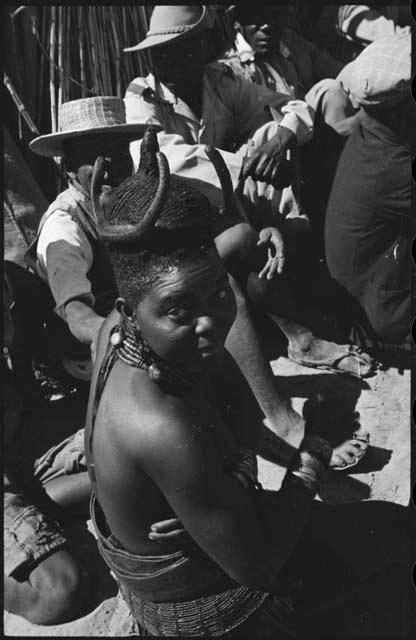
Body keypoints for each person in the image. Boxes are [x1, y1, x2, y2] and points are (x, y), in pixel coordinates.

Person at [84, 129, 410, 637]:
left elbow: (236, 414)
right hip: (217, 607)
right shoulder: (159, 422)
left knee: (391, 530)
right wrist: (314, 448)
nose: (210, 323)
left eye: (219, 294)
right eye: (178, 310)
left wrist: (206, 488)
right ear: (131, 310)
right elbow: (259, 565)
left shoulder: (126, 332)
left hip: (221, 545)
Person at [123, 5, 375, 440]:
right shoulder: (141, 100)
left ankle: (301, 335)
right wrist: (251, 165)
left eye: (182, 50)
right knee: (227, 262)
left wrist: (280, 140)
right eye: (162, 55)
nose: (171, 63)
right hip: (171, 234)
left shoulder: (218, 81)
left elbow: (289, 108)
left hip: (221, 214)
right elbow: (173, 166)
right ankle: (277, 408)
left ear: (201, 46)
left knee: (266, 172)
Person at [26, 96, 146, 382]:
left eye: (120, 151)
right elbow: (77, 313)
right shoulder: (64, 226)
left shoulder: (133, 200)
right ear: (68, 167)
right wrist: (115, 335)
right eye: (95, 154)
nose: (112, 164)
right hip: (94, 345)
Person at [325, 33, 414, 349]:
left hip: (368, 295)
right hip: (382, 317)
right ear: (403, 108)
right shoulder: (394, 166)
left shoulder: (371, 135)